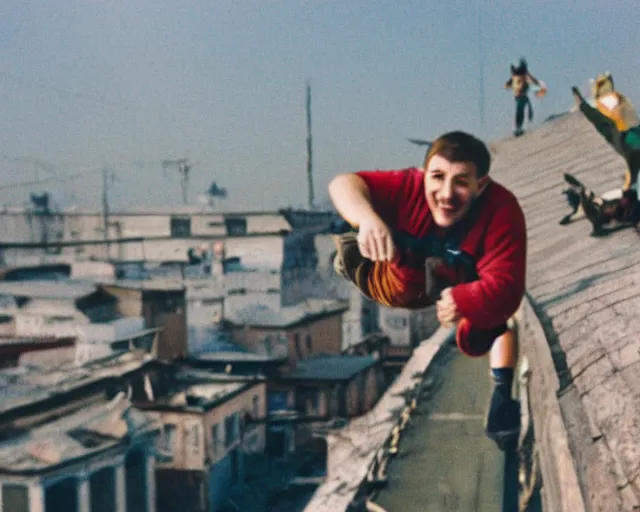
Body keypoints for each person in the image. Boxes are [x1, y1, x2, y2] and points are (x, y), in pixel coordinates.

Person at [329, 131, 527, 448]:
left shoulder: (501, 211)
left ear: (481, 185)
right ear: (425, 175)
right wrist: (367, 219)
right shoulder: (409, 188)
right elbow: (342, 184)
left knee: (494, 322)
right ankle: (349, 256)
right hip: (392, 275)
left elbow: (508, 289)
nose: (446, 194)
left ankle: (502, 401)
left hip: (452, 277)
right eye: (437, 177)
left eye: (461, 182)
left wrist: (464, 300)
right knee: (378, 257)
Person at [505, 58, 547, 137]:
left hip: (521, 96)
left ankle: (518, 127)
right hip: (520, 96)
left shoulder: (519, 75)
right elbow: (508, 84)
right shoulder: (518, 75)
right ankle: (518, 128)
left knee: (521, 111)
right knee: (520, 112)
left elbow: (508, 85)